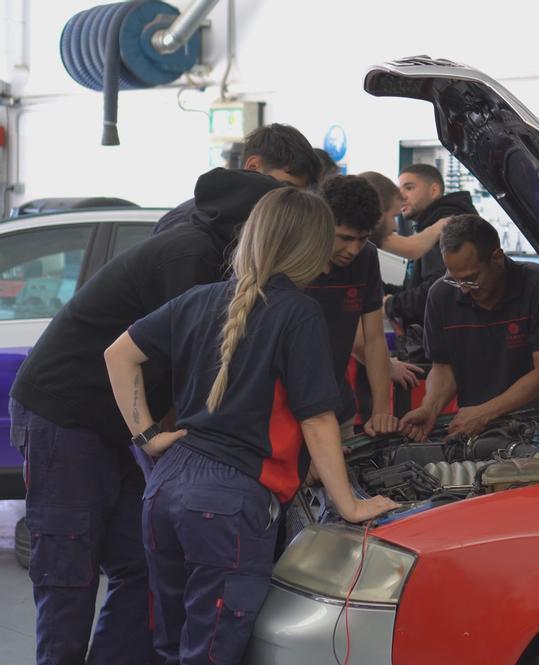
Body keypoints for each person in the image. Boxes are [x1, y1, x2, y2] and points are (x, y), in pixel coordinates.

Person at [104, 187, 397, 665]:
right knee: (211, 658)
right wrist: (349, 504)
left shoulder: (198, 300)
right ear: (310, 246)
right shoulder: (298, 312)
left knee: (171, 652)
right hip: (228, 503)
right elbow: (318, 419)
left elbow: (119, 355)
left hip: (165, 488)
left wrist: (147, 437)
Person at [8, 168, 281, 665]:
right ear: (250, 225)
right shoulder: (191, 256)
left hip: (114, 423)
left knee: (143, 564)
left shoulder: (216, 253)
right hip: (65, 414)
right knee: (69, 568)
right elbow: (191, 357)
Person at [398, 215, 539, 441]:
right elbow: (443, 367)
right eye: (454, 279)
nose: (463, 290)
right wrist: (430, 407)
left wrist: (486, 412)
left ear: (497, 258)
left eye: (471, 279)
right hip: (473, 426)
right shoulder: (441, 295)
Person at [308, 175, 399, 436]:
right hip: (289, 416)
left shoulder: (367, 257)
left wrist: (382, 411)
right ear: (320, 224)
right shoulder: (292, 261)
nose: (354, 250)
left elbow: (373, 340)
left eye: (362, 239)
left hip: (339, 411)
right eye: (345, 238)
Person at [153, 123, 320, 234]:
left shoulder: (256, 226)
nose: (290, 202)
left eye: (298, 194)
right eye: (285, 188)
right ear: (253, 166)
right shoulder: (189, 222)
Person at [383, 164, 479, 340]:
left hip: (449, 340)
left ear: (434, 190)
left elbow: (440, 288)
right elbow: (421, 284)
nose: (401, 196)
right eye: (399, 189)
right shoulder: (430, 226)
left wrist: (392, 304)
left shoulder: (449, 226)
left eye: (409, 187)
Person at [359, 170, 449, 259]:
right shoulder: (363, 231)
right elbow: (412, 249)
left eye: (409, 188)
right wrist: (444, 223)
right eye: (393, 216)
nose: (395, 227)